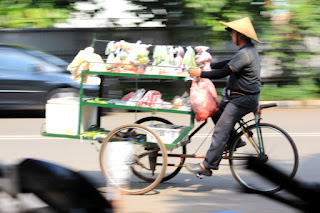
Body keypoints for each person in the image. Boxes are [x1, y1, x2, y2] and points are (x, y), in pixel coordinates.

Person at [186, 17, 262, 176]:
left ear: (239, 35)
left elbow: (224, 72)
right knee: (215, 110)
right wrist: (209, 65)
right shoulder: (247, 51)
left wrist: (201, 73)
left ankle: (207, 166)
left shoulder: (245, 53)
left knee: (220, 130)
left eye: (232, 33)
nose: (231, 36)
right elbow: (227, 64)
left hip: (242, 100)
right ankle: (235, 139)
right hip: (243, 97)